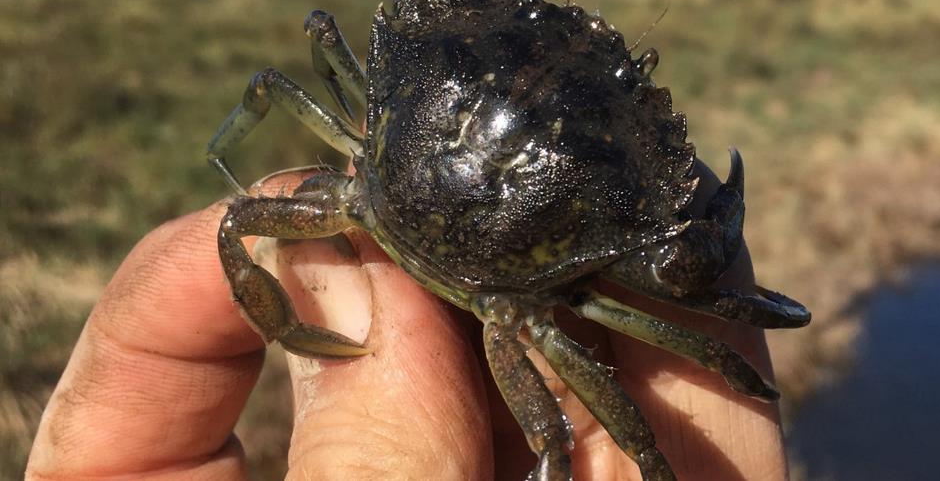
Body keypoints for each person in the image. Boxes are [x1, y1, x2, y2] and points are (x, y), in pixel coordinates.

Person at [27, 165, 791, 480]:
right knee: (585, 448)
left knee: (237, 225)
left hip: (361, 201)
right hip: (515, 311)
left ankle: (301, 332)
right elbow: (712, 305)